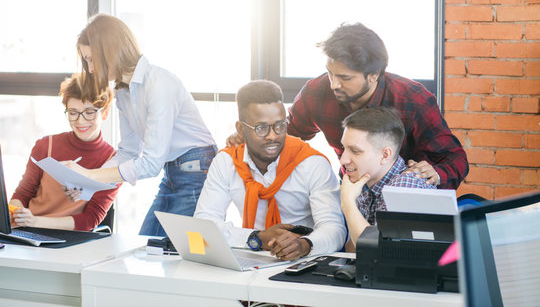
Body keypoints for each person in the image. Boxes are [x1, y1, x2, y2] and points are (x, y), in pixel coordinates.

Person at [228, 22, 468, 190]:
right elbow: (288, 133)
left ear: (374, 75)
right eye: (331, 73)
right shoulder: (317, 92)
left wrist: (437, 173)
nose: (334, 84)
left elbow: (455, 159)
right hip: (352, 190)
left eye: (345, 78)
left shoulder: (413, 99)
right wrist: (250, 137)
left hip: (408, 195)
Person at [65, 14, 217, 237]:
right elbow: (128, 151)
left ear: (110, 50)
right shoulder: (123, 92)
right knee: (148, 244)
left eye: (91, 59)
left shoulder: (160, 84)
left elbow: (151, 163)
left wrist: (89, 176)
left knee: (169, 251)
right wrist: (86, 183)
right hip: (174, 171)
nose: (90, 69)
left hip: (196, 168)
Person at [194, 80, 346, 261]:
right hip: (251, 259)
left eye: (280, 125)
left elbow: (335, 229)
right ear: (241, 128)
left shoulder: (312, 163)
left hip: (303, 262)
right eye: (262, 128)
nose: (273, 136)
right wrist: (255, 238)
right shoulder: (227, 162)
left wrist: (304, 245)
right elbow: (201, 226)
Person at [9, 74, 118, 231]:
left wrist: (35, 221)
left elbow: (90, 220)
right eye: (73, 113)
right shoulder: (45, 145)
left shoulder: (113, 162)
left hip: (69, 238)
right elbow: (22, 194)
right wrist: (16, 213)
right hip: (27, 230)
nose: (80, 121)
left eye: (89, 112)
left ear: (105, 112)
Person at [339, 107, 435, 251]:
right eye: (344, 148)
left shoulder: (405, 186)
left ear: (385, 155)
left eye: (355, 151)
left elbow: (375, 252)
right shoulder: (364, 183)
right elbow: (353, 250)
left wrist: (347, 203)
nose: (343, 159)